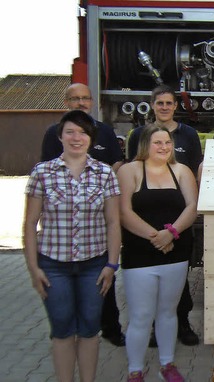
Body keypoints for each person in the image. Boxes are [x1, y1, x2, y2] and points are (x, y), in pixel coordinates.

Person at [23, 110, 121, 382]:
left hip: (94, 266)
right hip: (54, 266)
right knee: (62, 328)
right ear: (60, 136)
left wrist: (112, 265)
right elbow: (30, 224)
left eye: (82, 133)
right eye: (70, 132)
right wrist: (34, 269)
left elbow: (113, 223)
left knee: (90, 328)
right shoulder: (42, 173)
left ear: (91, 138)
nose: (76, 138)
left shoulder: (104, 174)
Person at [40, 83, 126, 347]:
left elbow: (117, 164)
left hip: (98, 221)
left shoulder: (106, 132)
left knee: (103, 281)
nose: (80, 102)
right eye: (74, 98)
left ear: (92, 101)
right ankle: (70, 332)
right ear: (66, 102)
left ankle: (110, 328)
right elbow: (45, 173)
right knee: (65, 290)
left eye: (85, 98)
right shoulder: (54, 134)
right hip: (64, 228)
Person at [118, 125, 198, 382]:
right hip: (140, 257)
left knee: (167, 312)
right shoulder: (129, 171)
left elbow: (193, 206)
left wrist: (172, 232)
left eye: (167, 142)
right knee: (141, 315)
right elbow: (124, 212)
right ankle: (135, 370)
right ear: (145, 145)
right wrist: (157, 237)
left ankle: (167, 364)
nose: (163, 147)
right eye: (157, 142)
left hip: (175, 254)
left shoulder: (182, 171)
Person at [126, 85, 201, 346]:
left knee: (179, 283)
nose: (165, 107)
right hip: (146, 231)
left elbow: (194, 171)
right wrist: (155, 235)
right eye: (160, 103)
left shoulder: (189, 134)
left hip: (178, 221)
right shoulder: (137, 134)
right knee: (148, 291)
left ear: (175, 106)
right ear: (153, 106)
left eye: (169, 103)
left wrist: (172, 232)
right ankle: (154, 328)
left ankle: (182, 323)